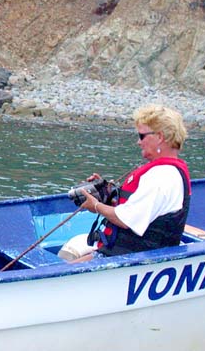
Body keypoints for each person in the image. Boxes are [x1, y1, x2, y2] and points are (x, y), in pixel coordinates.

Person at [62, 104, 191, 262]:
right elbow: (135, 210)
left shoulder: (162, 176)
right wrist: (108, 196)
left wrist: (95, 205)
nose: (138, 142)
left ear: (160, 137)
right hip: (126, 253)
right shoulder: (165, 172)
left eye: (141, 136)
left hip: (135, 260)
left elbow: (125, 219)